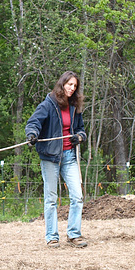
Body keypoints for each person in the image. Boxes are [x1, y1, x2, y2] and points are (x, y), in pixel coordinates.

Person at [25, 71, 88, 248]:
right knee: (51, 199)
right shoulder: (48, 104)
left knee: (77, 196)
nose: (72, 88)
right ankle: (52, 236)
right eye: (69, 85)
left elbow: (81, 129)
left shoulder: (75, 106)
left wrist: (80, 137)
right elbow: (33, 123)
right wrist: (32, 134)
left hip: (69, 157)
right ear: (62, 84)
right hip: (50, 157)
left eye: (75, 86)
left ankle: (74, 234)